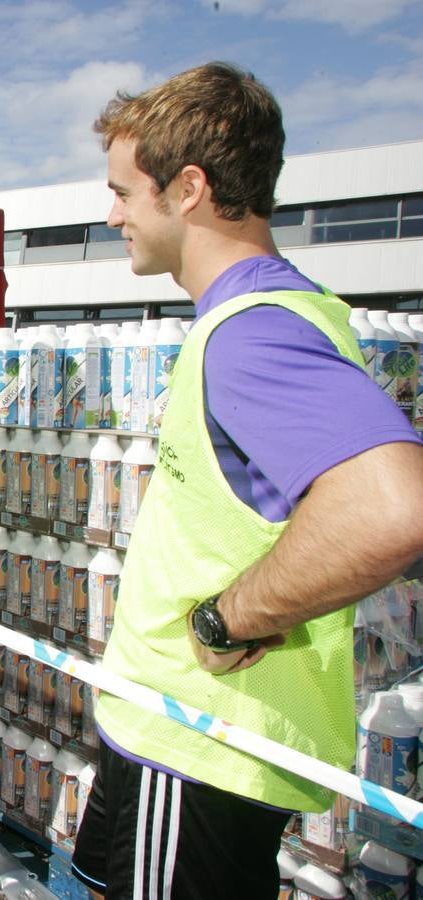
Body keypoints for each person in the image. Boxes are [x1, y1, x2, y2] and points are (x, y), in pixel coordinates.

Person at [69, 62, 423, 898]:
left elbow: (392, 507)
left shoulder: (252, 332)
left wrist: (230, 620)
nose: (112, 213)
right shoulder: (254, 319)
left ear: (188, 188)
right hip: (173, 739)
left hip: (196, 747)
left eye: (124, 191)